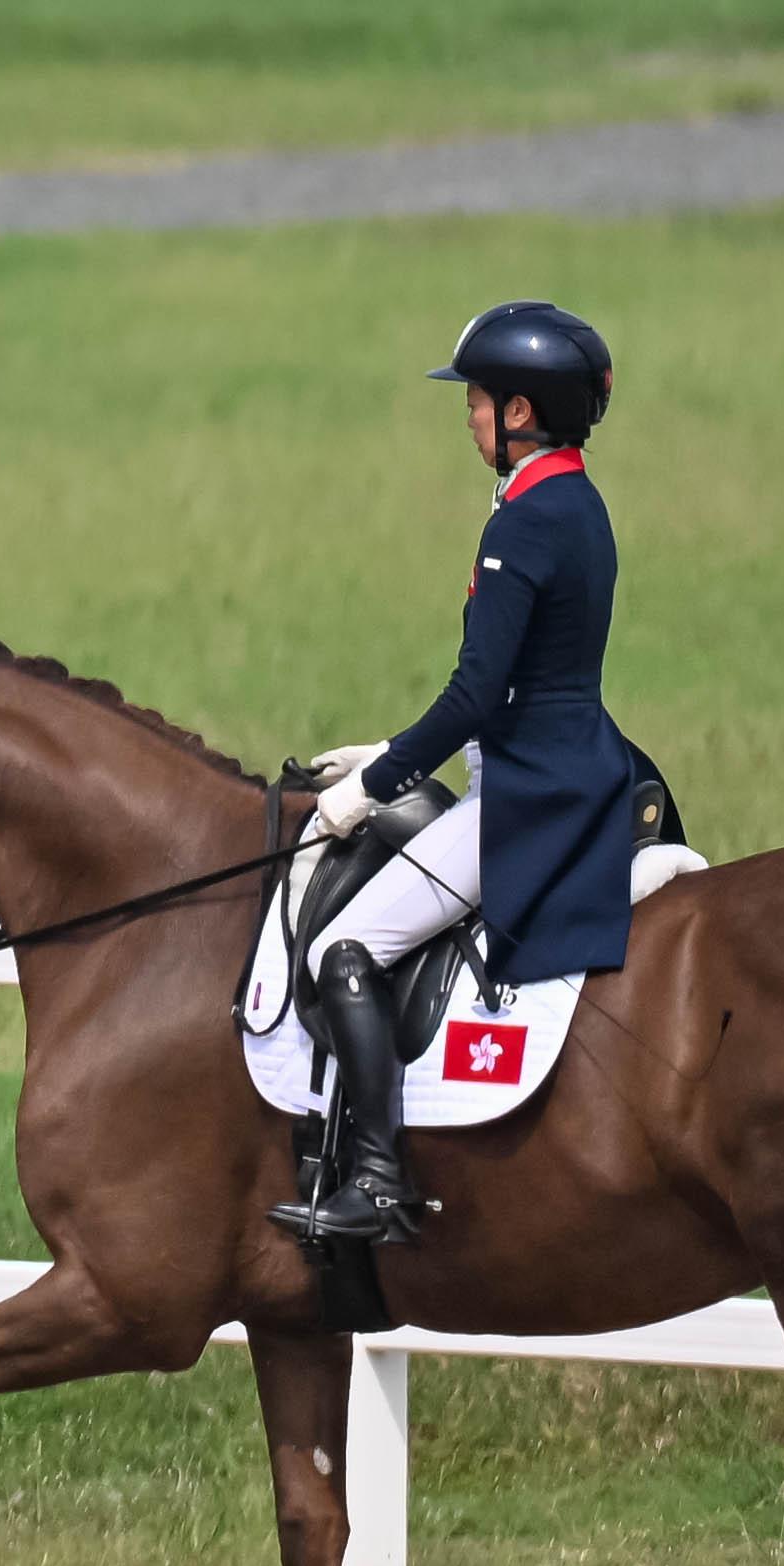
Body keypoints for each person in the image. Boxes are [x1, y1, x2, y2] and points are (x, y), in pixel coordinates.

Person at [277, 297, 668, 1248]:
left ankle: (377, 1180)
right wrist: (390, 749)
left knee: (342, 950)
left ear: (520, 411)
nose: (467, 416)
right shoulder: (573, 500)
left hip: (530, 794)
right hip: (573, 761)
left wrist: (372, 786)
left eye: (476, 400)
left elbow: (475, 693)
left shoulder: (525, 522)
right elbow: (520, 685)